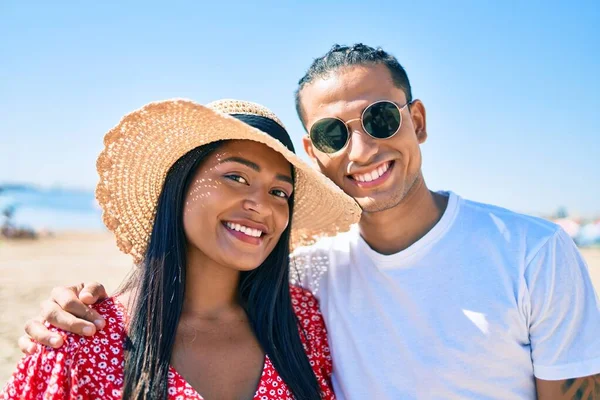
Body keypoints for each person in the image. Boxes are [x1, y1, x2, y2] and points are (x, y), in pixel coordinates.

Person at [18, 45, 600, 399]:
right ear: (313, 152)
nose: (362, 148)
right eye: (332, 134)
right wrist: (61, 313)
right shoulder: (308, 285)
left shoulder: (534, 253)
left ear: (417, 120)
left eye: (380, 118)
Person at [2, 98, 361, 399]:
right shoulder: (85, 337)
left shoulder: (301, 321)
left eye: (280, 192)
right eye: (236, 177)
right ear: (179, 184)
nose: (263, 205)